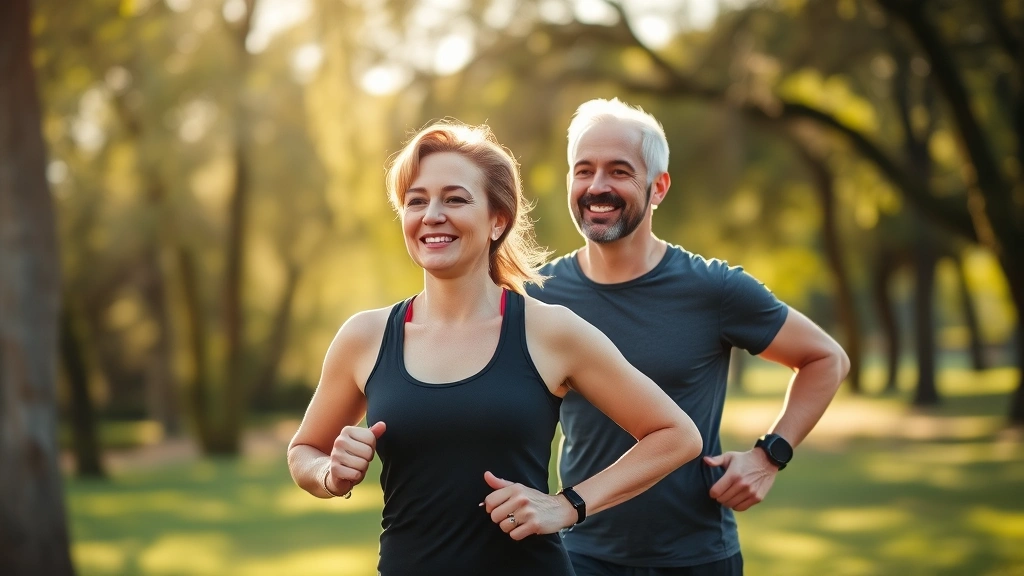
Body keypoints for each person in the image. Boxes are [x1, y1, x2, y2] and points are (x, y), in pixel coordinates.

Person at [286, 120, 703, 576]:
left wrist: (568, 506)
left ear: (497, 220)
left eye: (456, 199)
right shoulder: (365, 337)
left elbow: (676, 435)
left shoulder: (549, 331)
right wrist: (330, 474)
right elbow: (305, 449)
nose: (432, 215)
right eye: (416, 201)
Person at [525, 98, 851, 575]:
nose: (597, 186)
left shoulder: (713, 288)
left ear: (658, 187)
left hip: (698, 557)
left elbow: (826, 358)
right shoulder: (537, 298)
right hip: (582, 553)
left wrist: (770, 455)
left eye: (619, 171)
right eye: (584, 170)